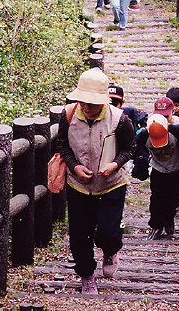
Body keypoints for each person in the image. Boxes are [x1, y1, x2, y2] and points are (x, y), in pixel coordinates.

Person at [53, 68, 136, 295]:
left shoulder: (119, 119)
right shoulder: (68, 115)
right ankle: (87, 275)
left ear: (102, 102)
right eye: (83, 102)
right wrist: (74, 166)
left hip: (112, 184)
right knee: (79, 235)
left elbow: (131, 148)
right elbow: (62, 145)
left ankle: (110, 249)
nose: (86, 107)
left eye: (92, 103)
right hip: (78, 185)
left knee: (108, 232)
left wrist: (115, 164)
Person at [136, 110, 179, 240]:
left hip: (176, 168)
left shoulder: (175, 131)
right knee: (157, 198)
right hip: (158, 169)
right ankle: (156, 225)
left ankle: (169, 219)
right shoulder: (143, 135)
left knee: (174, 197)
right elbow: (132, 147)